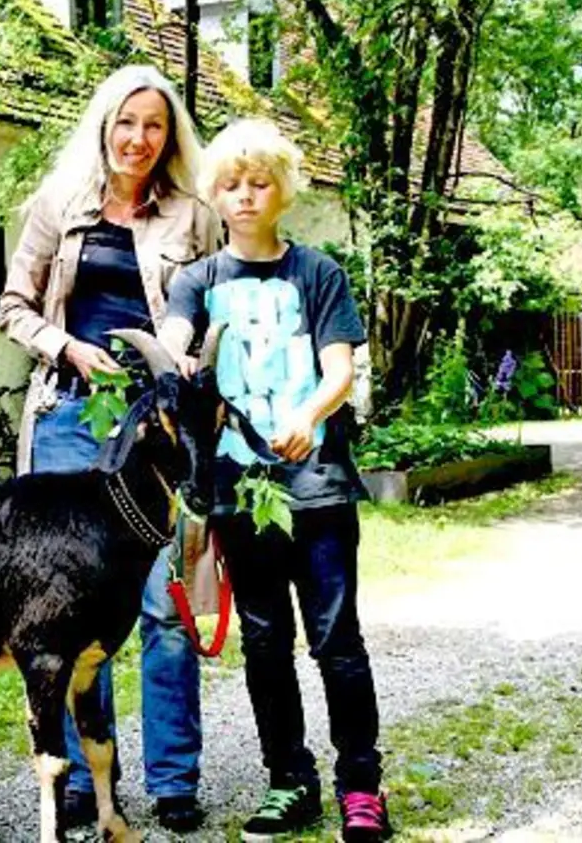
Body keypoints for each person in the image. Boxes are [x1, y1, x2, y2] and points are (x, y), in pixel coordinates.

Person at [0, 64, 222, 836]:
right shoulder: (58, 205)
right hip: (68, 417)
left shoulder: (194, 215)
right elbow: (13, 307)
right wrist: (65, 347)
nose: (138, 138)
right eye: (126, 122)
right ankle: (81, 781)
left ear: (170, 136)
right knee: (59, 613)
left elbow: (210, 310)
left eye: (154, 125)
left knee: (163, 602)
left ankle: (175, 778)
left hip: (154, 431)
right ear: (104, 125)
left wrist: (191, 362)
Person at [158, 119, 393, 842]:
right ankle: (289, 781)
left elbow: (340, 369)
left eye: (259, 182)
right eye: (231, 184)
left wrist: (311, 413)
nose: (246, 196)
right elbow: (174, 335)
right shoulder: (198, 280)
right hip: (239, 488)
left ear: (283, 189)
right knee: (264, 640)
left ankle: (361, 787)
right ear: (214, 194)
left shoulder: (317, 274)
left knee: (336, 640)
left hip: (315, 484)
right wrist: (178, 356)